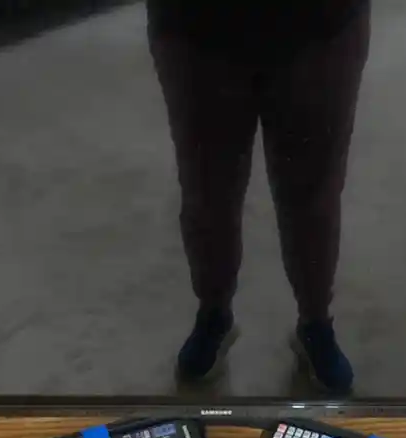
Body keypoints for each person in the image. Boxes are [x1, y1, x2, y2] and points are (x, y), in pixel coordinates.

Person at [148, 0, 372, 394]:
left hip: (321, 28)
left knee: (313, 195)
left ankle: (315, 322)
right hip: (195, 31)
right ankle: (214, 314)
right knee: (208, 191)